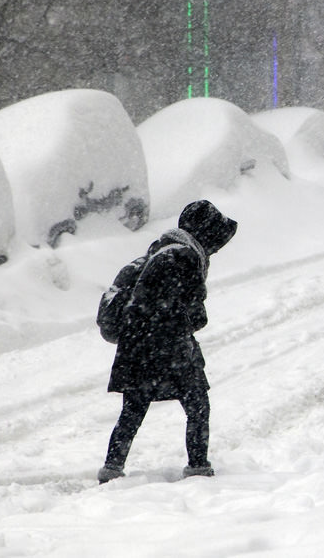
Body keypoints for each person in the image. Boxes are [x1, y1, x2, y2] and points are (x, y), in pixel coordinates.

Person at [98, 200, 237, 483]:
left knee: (133, 410)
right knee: (198, 404)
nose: (217, 248)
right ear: (205, 232)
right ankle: (198, 467)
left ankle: (112, 468)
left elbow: (142, 303)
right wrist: (186, 319)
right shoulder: (183, 258)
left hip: (137, 348)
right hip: (167, 347)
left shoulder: (159, 250)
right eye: (216, 240)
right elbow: (186, 311)